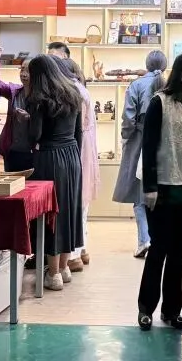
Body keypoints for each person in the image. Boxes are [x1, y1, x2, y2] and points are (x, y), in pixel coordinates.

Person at [137, 53, 182, 331]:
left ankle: (172, 310)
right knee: (159, 249)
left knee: (178, 252)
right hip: (163, 187)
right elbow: (148, 147)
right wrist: (150, 187)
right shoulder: (160, 103)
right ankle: (146, 308)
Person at [24, 54, 85, 290]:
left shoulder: (38, 99)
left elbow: (35, 136)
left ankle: (53, 274)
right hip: (72, 156)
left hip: (49, 157)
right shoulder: (73, 93)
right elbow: (78, 133)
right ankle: (64, 267)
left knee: (50, 214)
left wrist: (27, 120)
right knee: (69, 210)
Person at [113, 50, 168, 258]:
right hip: (163, 144)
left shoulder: (136, 85)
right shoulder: (169, 86)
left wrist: (126, 136)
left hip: (138, 141)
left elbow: (128, 118)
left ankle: (144, 240)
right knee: (160, 194)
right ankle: (158, 240)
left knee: (139, 194)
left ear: (146, 65)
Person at [60, 57, 98, 273]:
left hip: (77, 149)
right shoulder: (82, 89)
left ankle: (73, 255)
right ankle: (81, 250)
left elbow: (77, 128)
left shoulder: (72, 92)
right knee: (81, 204)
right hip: (85, 149)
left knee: (76, 203)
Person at [0, 48, 35, 173]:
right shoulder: (14, 91)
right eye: (22, 69)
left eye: (28, 71)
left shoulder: (42, 96)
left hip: (34, 152)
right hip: (12, 151)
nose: (24, 74)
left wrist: (30, 118)